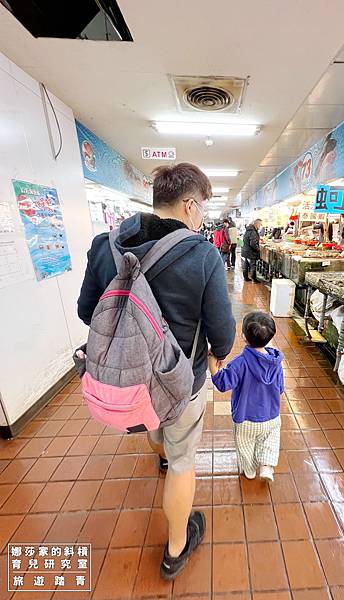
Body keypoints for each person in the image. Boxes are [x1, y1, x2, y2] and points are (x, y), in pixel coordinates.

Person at [77, 163, 235, 580]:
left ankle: (160, 455)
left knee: (155, 425)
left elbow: (84, 311)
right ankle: (176, 549)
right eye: (202, 206)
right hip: (182, 379)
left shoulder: (103, 246)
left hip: (131, 382)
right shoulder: (202, 255)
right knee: (185, 460)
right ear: (188, 205)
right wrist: (220, 352)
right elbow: (221, 327)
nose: (202, 214)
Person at [208, 311, 283, 482]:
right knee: (270, 440)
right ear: (270, 337)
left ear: (243, 336)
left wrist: (212, 366)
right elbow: (280, 389)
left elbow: (222, 384)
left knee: (245, 446)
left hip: (245, 418)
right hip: (271, 416)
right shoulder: (276, 362)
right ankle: (266, 466)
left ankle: (249, 471)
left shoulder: (240, 363)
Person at [242, 219, 262, 283]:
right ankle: (254, 279)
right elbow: (253, 243)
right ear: (257, 224)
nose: (260, 226)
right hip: (251, 251)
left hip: (245, 250)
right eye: (260, 224)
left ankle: (246, 277)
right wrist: (257, 249)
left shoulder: (248, 230)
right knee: (253, 265)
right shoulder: (253, 231)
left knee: (246, 264)